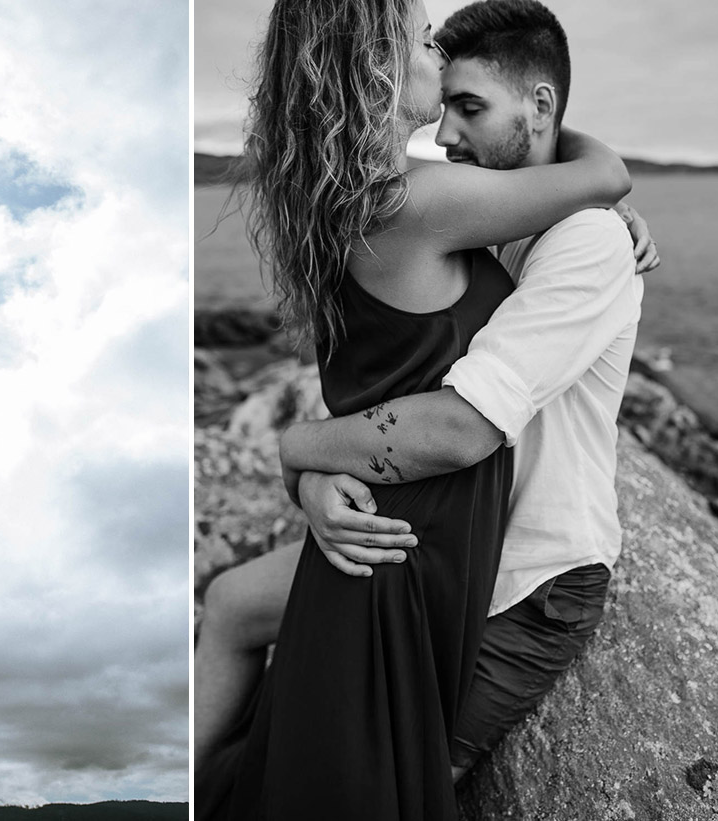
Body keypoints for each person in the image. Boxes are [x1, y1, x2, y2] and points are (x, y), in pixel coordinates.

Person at [195, 0, 655, 808]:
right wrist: (304, 465)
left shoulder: (500, 217)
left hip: (517, 565)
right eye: (421, 45)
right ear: (374, 69)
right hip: (433, 533)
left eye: (468, 107)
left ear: (537, 104)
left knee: (333, 735)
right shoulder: (446, 204)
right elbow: (434, 415)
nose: (445, 115)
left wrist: (300, 454)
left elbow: (445, 417)